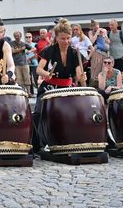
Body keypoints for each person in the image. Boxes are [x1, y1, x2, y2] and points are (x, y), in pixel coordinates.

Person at [33, 18, 87, 151]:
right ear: (56, 38)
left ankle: (68, 139)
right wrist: (46, 74)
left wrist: (82, 77)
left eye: (68, 38)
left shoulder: (75, 53)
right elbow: (38, 69)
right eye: (63, 38)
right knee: (39, 113)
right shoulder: (49, 50)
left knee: (71, 113)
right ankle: (38, 145)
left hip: (66, 87)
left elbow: (78, 74)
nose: (66, 41)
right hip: (49, 86)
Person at [88, 20, 109, 87]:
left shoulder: (103, 31)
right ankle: (94, 86)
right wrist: (97, 32)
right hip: (96, 53)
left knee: (104, 70)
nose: (97, 29)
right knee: (95, 71)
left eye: (97, 28)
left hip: (105, 53)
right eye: (95, 28)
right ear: (92, 27)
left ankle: (103, 86)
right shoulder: (91, 32)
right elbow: (91, 41)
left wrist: (104, 36)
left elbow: (108, 41)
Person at [10, 31, 32, 95]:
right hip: (16, 64)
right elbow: (12, 51)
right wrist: (21, 49)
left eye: (18, 35)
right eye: (16, 35)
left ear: (20, 36)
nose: (17, 37)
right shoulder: (11, 43)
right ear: (14, 36)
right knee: (19, 80)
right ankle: (23, 92)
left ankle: (29, 93)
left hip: (25, 63)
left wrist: (29, 51)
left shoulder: (24, 43)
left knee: (27, 78)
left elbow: (33, 49)